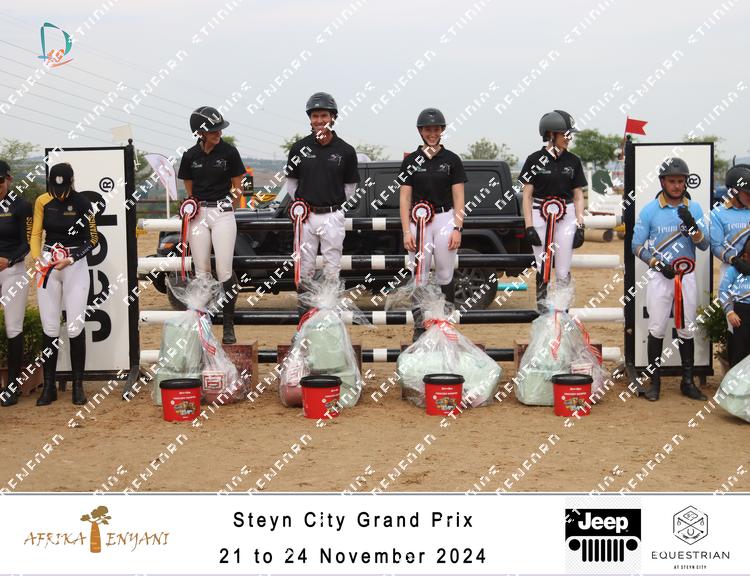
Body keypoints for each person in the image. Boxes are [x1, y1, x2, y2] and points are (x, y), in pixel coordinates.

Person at [632, 157, 709, 402]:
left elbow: (704, 245)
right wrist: (656, 263)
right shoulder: (649, 210)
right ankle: (654, 382)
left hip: (686, 275)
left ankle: (688, 382)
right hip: (660, 276)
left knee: (686, 327)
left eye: (681, 181)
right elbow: (636, 245)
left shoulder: (695, 208)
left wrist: (692, 226)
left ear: (686, 182)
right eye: (672, 181)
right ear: (662, 182)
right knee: (656, 327)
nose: (677, 186)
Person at [284, 92, 359, 317]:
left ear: (332, 117)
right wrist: (303, 207)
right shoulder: (298, 148)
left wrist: (332, 205)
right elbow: (291, 185)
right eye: (315, 116)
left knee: (332, 267)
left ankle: (329, 319)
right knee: (304, 268)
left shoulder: (346, 150)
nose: (319, 120)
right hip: (305, 216)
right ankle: (304, 319)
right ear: (310, 118)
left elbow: (349, 188)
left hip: (332, 215)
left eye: (324, 115)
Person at [31, 162, 98, 406]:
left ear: (71, 182)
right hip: (48, 263)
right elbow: (35, 233)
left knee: (74, 326)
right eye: (54, 188)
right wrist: (38, 258)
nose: (58, 194)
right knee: (49, 326)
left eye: (63, 188)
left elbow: (93, 239)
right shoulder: (42, 201)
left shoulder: (83, 203)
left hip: (74, 264)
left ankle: (78, 386)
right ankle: (49, 386)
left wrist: (71, 258)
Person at [178, 106, 245, 344]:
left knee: (224, 270)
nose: (218, 133)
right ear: (200, 132)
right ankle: (203, 323)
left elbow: (238, 185)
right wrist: (195, 207)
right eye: (213, 130)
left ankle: (228, 325)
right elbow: (189, 188)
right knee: (201, 271)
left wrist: (229, 207)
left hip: (222, 213)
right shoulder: (190, 156)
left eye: (219, 129)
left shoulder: (229, 152)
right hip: (199, 214)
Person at [400, 107, 466, 341]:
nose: (432, 133)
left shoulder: (452, 160)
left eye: (436, 129)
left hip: (445, 218)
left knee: (445, 273)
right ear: (421, 131)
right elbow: (405, 198)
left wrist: (457, 227)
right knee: (419, 274)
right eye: (428, 129)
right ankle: (419, 327)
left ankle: (445, 323)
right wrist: (406, 230)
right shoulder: (410, 161)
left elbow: (459, 196)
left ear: (442, 131)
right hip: (418, 222)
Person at [520, 110, 587, 312]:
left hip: (567, 215)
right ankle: (543, 313)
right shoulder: (533, 160)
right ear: (551, 134)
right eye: (565, 134)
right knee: (543, 266)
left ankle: (562, 313)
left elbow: (578, 196)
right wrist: (529, 226)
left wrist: (580, 225)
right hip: (539, 214)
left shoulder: (573, 161)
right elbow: (527, 195)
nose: (569, 138)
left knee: (563, 269)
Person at [709, 164, 750, 363]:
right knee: (735, 326)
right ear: (734, 191)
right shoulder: (718, 214)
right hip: (733, 269)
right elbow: (716, 245)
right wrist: (734, 260)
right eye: (747, 192)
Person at [0, 160, 33, 407]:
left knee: (13, 327)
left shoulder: (21, 205)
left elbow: (28, 243)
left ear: (8, 179)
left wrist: (9, 260)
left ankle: (12, 386)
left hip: (13, 270)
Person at [720, 236, 750, 367]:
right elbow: (722, 291)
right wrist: (730, 312)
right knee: (739, 355)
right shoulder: (733, 270)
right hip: (741, 314)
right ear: (745, 256)